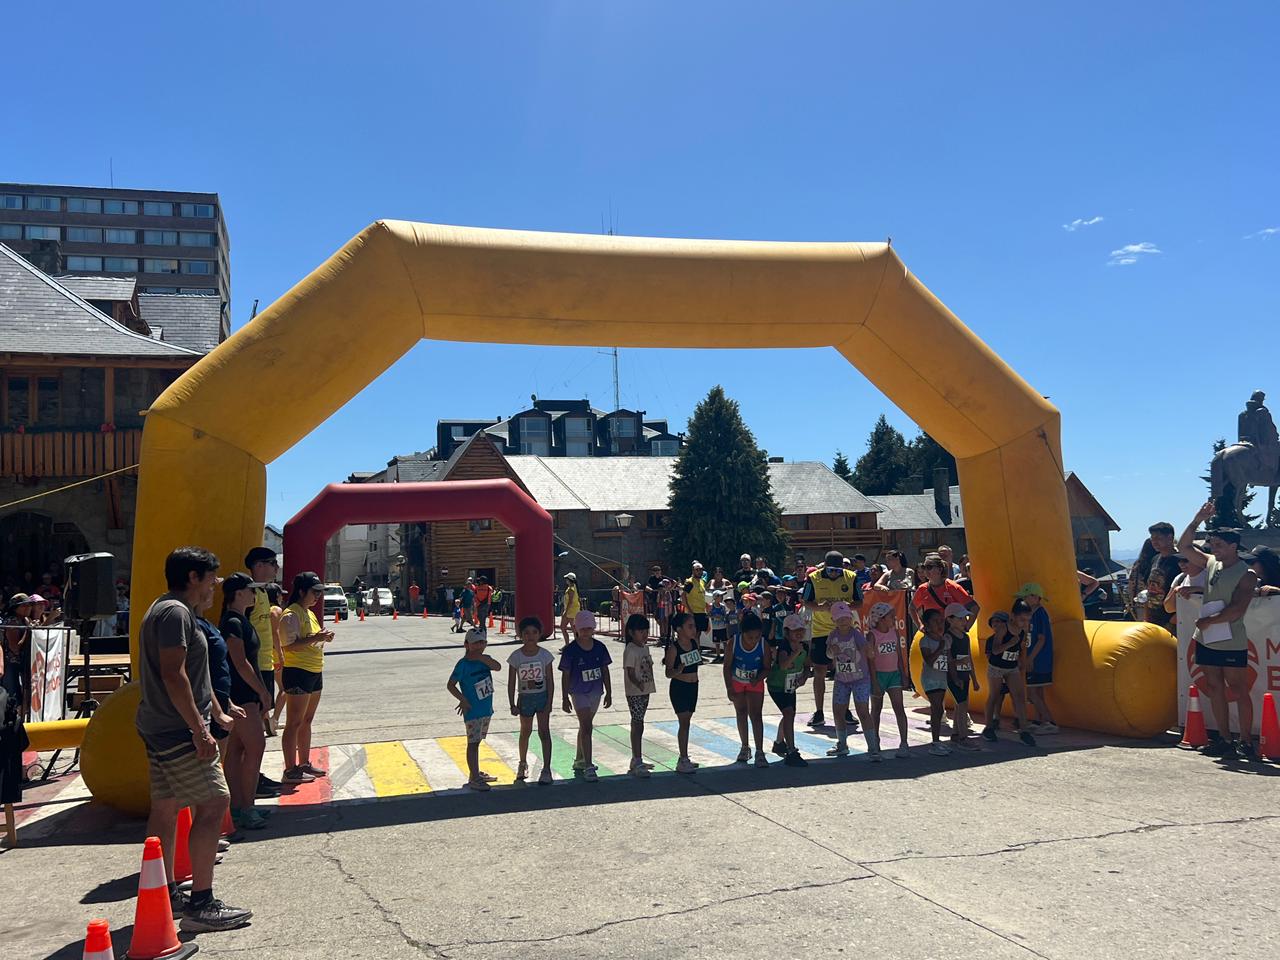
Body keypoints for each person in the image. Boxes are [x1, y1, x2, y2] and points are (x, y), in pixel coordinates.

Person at [135, 547, 251, 932]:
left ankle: (165, 891)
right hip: (177, 729)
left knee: (166, 808)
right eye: (211, 578)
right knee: (215, 802)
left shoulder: (169, 610)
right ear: (192, 577)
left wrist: (217, 710)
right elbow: (174, 674)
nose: (215, 585)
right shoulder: (176, 613)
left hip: (162, 725)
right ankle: (201, 904)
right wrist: (201, 730)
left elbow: (194, 675)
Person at [1178, 502, 1260, 760]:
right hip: (1207, 638)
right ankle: (1224, 738)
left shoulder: (1246, 574)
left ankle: (1245, 741)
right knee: (1214, 687)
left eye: (1219, 545)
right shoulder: (1211, 563)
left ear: (1234, 546)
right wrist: (1197, 520)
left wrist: (1209, 621)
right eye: (1212, 544)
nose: (1214, 549)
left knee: (1238, 689)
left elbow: (1237, 609)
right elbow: (1183, 547)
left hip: (1230, 639)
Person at [219, 573, 273, 829]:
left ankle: (239, 807)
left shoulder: (240, 620)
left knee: (238, 751)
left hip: (243, 693)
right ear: (238, 593)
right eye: (251, 590)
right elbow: (240, 663)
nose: (255, 594)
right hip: (242, 694)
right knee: (255, 747)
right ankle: (246, 807)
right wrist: (262, 691)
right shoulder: (232, 622)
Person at [281, 572, 334, 783]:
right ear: (302, 591)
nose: (318, 596)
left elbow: (309, 639)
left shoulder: (308, 613)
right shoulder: (291, 614)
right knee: (293, 722)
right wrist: (317, 638)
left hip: (314, 670)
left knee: (307, 720)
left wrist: (321, 637)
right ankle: (290, 769)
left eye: (320, 593)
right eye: (314, 592)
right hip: (298, 671)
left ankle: (303, 763)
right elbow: (288, 645)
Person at [802, 550, 862, 729]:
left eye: (837, 570)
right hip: (821, 630)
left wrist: (846, 606)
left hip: (844, 630)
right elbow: (806, 601)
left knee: (844, 671)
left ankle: (845, 710)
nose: (834, 573)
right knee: (819, 671)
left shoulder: (851, 577)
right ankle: (819, 711)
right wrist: (820, 607)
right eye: (831, 570)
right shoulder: (813, 578)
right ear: (825, 567)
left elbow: (860, 602)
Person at [243, 547, 283, 796]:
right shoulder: (248, 593)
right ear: (258, 565)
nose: (276, 568)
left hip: (266, 664)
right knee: (253, 730)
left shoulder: (262, 592)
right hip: (254, 667)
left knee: (260, 723)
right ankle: (250, 781)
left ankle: (256, 775)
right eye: (272, 563)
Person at [559, 611, 612, 781]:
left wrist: (609, 692)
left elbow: (605, 670)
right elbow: (565, 674)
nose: (586, 632)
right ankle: (589, 765)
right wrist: (564, 697)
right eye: (583, 629)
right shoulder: (570, 650)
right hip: (578, 692)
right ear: (576, 628)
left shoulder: (600, 647)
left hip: (596, 691)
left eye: (589, 628)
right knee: (587, 726)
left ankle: (579, 759)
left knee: (585, 726)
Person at [448, 628, 501, 790]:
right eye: (475, 643)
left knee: (478, 741)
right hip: (472, 710)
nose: (479, 646)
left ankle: (475, 772)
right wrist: (462, 699)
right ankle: (474, 778)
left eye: (482, 643)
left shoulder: (485, 660)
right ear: (467, 645)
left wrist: (482, 658)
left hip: (486, 708)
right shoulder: (463, 664)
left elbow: (497, 667)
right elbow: (451, 685)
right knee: (472, 743)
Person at [825, 602, 879, 759]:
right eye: (839, 619)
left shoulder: (856, 634)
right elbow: (828, 654)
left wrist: (869, 650)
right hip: (841, 680)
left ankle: (873, 747)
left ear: (851, 618)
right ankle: (842, 744)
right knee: (838, 711)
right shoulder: (833, 635)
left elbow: (866, 650)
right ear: (834, 620)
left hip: (860, 679)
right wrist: (832, 651)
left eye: (846, 618)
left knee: (863, 711)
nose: (843, 621)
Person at [506, 616, 555, 785]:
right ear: (520, 635)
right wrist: (512, 704)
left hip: (542, 697)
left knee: (544, 731)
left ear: (540, 634)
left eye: (534, 632)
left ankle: (546, 768)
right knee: (525, 731)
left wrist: (549, 702)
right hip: (525, 698)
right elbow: (511, 682)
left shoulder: (545, 655)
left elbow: (550, 680)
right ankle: (522, 763)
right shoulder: (516, 657)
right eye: (526, 633)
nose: (530, 636)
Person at [981, 608, 1037, 747]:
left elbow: (1022, 648)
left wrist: (1023, 662)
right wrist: (1009, 644)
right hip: (996, 667)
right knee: (994, 695)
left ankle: (1024, 730)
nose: (1025, 622)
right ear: (1013, 617)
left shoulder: (1023, 631)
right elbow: (995, 651)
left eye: (1027, 620)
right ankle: (989, 727)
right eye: (1022, 619)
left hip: (1011, 667)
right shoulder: (1001, 631)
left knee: (1019, 696)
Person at [866, 602, 912, 758]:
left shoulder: (894, 632)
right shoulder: (872, 635)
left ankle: (904, 743)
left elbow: (899, 655)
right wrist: (874, 681)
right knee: (876, 709)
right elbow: (871, 660)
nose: (894, 619)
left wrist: (903, 673)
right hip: (878, 675)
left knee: (899, 707)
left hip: (894, 675)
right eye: (891, 616)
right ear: (881, 618)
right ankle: (874, 741)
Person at [723, 610, 769, 767]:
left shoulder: (763, 644)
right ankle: (744, 747)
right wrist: (729, 687)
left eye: (757, 637)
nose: (754, 641)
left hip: (755, 683)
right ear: (742, 633)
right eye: (750, 637)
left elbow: (767, 667)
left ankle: (760, 752)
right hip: (737, 682)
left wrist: (759, 677)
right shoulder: (733, 642)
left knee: (756, 715)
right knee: (741, 712)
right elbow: (727, 666)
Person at [765, 613, 809, 766]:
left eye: (801, 630)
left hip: (790, 686)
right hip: (776, 686)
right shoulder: (784, 647)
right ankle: (791, 751)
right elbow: (783, 665)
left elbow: (807, 666)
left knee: (789, 714)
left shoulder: (805, 647)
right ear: (787, 632)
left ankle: (779, 742)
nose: (799, 633)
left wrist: (804, 677)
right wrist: (795, 653)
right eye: (795, 630)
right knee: (789, 713)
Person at [1015, 583, 1057, 734]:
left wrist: (1030, 659)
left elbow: (1041, 639)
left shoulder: (1040, 613)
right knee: (1037, 692)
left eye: (1026, 597)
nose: (1024, 600)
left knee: (1032, 693)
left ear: (1035, 597)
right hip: (1034, 658)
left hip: (1039, 659)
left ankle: (1050, 722)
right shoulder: (1030, 614)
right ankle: (1040, 720)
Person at [664, 611, 702, 774]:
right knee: (684, 722)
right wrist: (678, 670)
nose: (694, 630)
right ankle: (683, 757)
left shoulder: (694, 643)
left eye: (694, 626)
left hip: (694, 686)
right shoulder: (674, 648)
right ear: (679, 629)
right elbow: (668, 673)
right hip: (680, 687)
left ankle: (684, 757)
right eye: (690, 626)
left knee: (687, 721)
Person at [622, 613, 657, 778]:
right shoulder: (630, 649)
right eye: (640, 631)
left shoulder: (645, 647)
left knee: (640, 723)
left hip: (645, 690)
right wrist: (638, 683)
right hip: (635, 692)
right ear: (631, 632)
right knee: (637, 723)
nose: (644, 634)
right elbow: (629, 672)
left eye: (646, 631)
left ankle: (637, 758)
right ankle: (637, 759)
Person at [942, 603, 980, 750]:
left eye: (965, 618)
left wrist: (974, 679)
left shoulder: (966, 637)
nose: (964, 621)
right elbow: (947, 659)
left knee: (961, 705)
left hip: (965, 675)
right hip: (954, 676)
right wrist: (956, 676)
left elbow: (969, 659)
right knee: (962, 705)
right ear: (950, 620)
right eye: (960, 618)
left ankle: (956, 734)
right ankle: (963, 737)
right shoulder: (948, 637)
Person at [1136, 522, 1182, 631]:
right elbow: (1148, 589)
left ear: (1170, 538)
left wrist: (1174, 619)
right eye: (1152, 539)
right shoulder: (1155, 559)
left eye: (1158, 538)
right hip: (1153, 618)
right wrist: (1146, 617)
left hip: (1172, 620)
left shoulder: (1181, 560)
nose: (1154, 542)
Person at [917, 609, 951, 757]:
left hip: (942, 678)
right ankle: (935, 742)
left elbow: (949, 661)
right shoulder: (925, 641)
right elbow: (929, 661)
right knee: (937, 708)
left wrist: (955, 677)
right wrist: (940, 648)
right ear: (927, 624)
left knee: (939, 710)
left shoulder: (945, 640)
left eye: (941, 621)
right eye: (935, 621)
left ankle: (937, 741)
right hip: (930, 679)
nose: (939, 624)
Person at [912, 553, 979, 626]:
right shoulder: (922, 589)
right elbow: (912, 608)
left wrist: (966, 628)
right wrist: (920, 626)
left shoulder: (952, 586)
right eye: (924, 567)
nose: (926, 571)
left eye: (929, 567)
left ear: (940, 569)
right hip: (933, 630)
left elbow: (974, 608)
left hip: (950, 630)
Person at [681, 561, 710, 640]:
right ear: (693, 571)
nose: (699, 571)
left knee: (698, 634)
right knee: (693, 634)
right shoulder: (690, 582)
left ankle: (697, 648)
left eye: (701, 570)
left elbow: (701, 596)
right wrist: (689, 610)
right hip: (693, 613)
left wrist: (706, 606)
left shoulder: (702, 582)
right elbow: (683, 596)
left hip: (702, 612)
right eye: (697, 570)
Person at [559, 573, 580, 644]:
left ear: (569, 580)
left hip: (572, 612)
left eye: (566, 579)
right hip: (571, 611)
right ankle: (567, 645)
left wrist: (565, 611)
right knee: (563, 627)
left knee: (574, 629)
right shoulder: (572, 587)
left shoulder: (571, 589)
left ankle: (576, 645)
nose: (566, 580)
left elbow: (570, 602)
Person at [708, 590, 729, 662]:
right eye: (720, 596)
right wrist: (714, 616)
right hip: (715, 627)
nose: (722, 597)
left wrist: (722, 617)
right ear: (715, 597)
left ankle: (726, 655)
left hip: (723, 627)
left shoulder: (722, 606)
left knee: (725, 642)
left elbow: (725, 615)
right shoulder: (711, 606)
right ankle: (718, 656)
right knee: (717, 643)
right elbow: (708, 615)